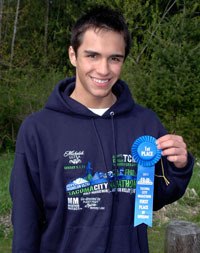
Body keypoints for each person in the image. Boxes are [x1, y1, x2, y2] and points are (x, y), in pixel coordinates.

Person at [10, 5, 194, 253]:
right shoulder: (37, 129)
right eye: (92, 55)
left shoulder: (144, 123)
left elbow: (155, 197)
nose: (104, 70)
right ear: (73, 55)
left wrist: (179, 167)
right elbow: (25, 220)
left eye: (114, 58)